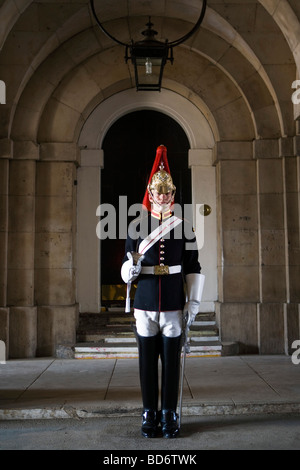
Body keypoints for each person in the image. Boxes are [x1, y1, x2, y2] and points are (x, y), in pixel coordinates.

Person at [121, 145, 203, 438]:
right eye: (159, 191)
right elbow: (125, 262)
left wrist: (193, 303)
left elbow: (193, 266)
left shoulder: (186, 228)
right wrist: (128, 272)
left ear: (173, 193)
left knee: (171, 363)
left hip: (172, 303)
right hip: (144, 304)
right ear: (150, 193)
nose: (164, 195)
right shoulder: (136, 226)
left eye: (168, 191)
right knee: (146, 363)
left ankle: (169, 412)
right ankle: (149, 413)